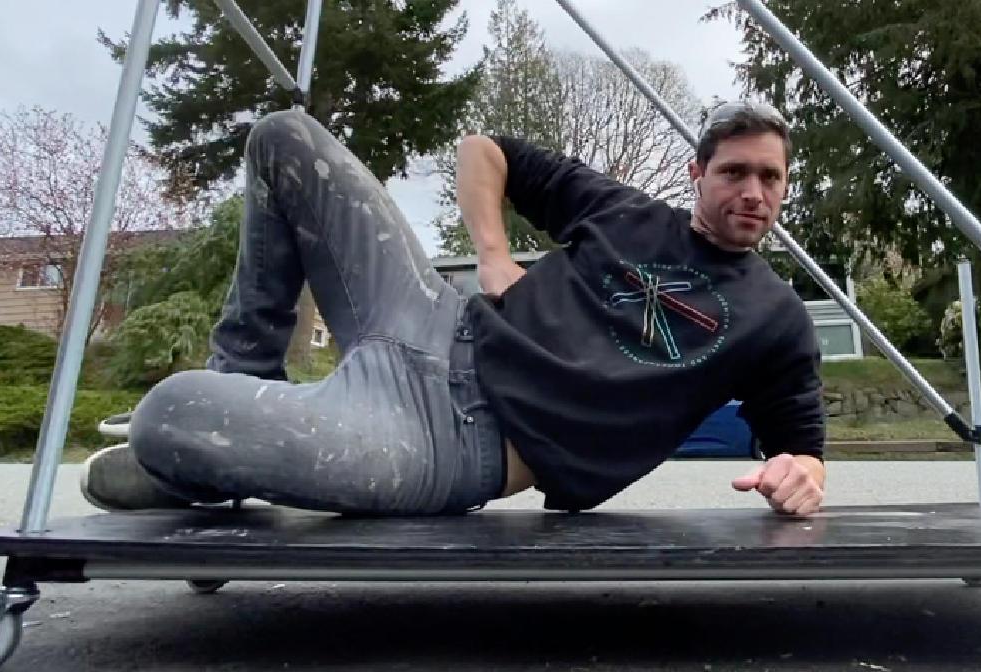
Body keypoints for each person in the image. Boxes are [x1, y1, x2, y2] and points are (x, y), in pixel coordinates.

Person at [80, 100, 827, 517]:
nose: (753, 194)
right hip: (432, 317)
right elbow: (483, 149)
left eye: (771, 177)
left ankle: (204, 454)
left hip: (450, 442)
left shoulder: (774, 317)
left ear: (787, 184)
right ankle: (246, 396)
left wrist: (802, 476)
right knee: (285, 140)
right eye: (734, 172)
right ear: (698, 173)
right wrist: (495, 253)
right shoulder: (620, 211)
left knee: (168, 413)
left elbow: (802, 445)